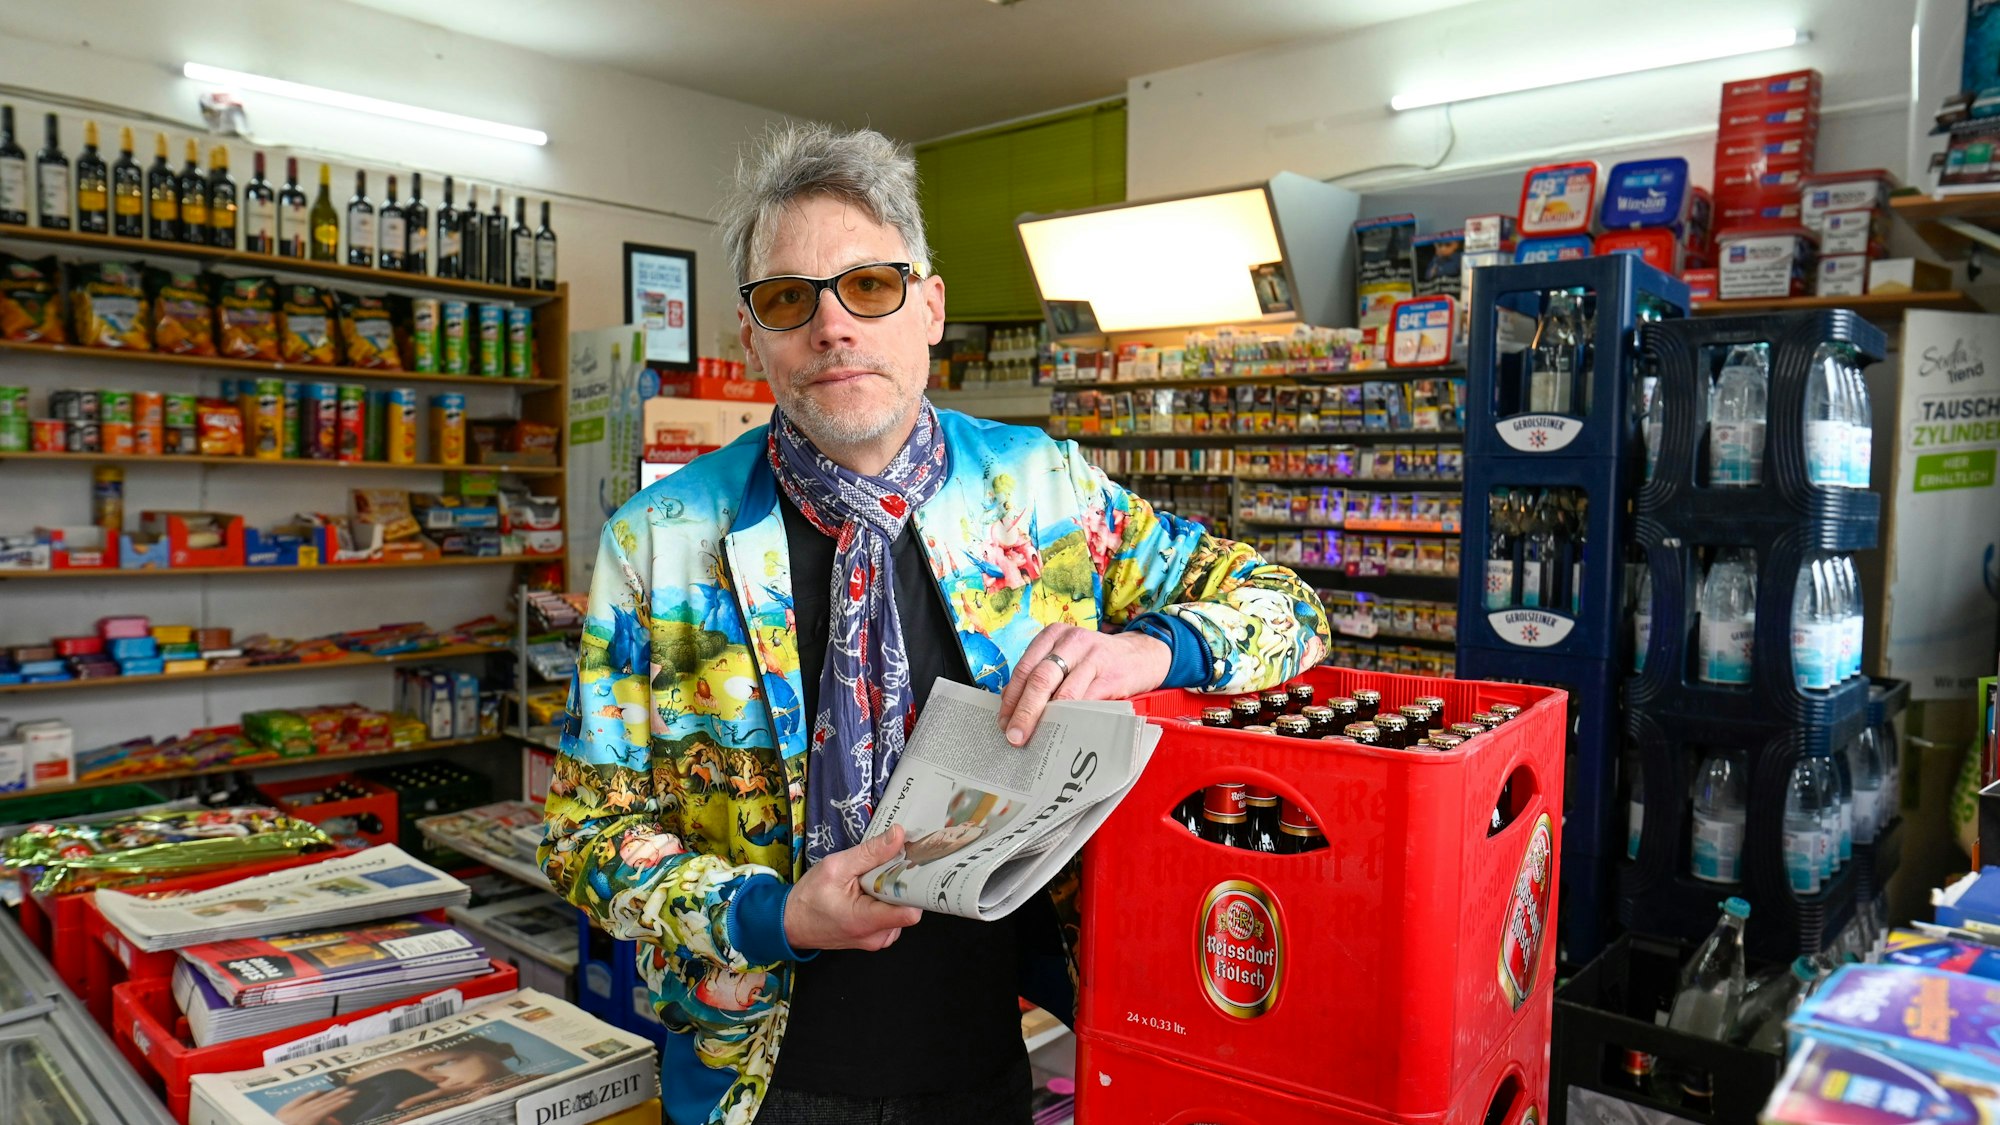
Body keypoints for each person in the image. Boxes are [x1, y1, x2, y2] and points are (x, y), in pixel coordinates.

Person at [540, 122, 1328, 1125]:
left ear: (930, 307)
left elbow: (1289, 610)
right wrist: (774, 914)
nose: (832, 328)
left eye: (869, 286)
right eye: (789, 299)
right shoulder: (661, 543)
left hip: (997, 1055)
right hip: (757, 1077)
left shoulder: (1041, 493)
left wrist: (1147, 646)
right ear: (753, 337)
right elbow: (581, 834)